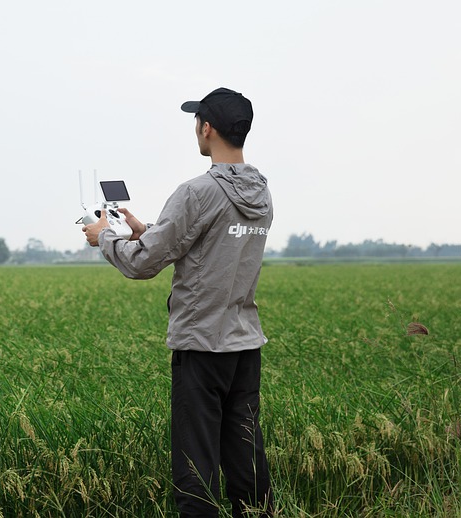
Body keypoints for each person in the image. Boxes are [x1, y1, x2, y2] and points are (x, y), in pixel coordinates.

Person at [81, 87, 274, 517]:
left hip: (201, 346)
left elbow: (143, 263)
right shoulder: (261, 192)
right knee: (246, 457)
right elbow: (210, 241)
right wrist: (146, 229)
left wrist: (105, 237)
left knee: (195, 464)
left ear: (207, 129)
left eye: (197, 122)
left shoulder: (196, 192)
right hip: (244, 345)